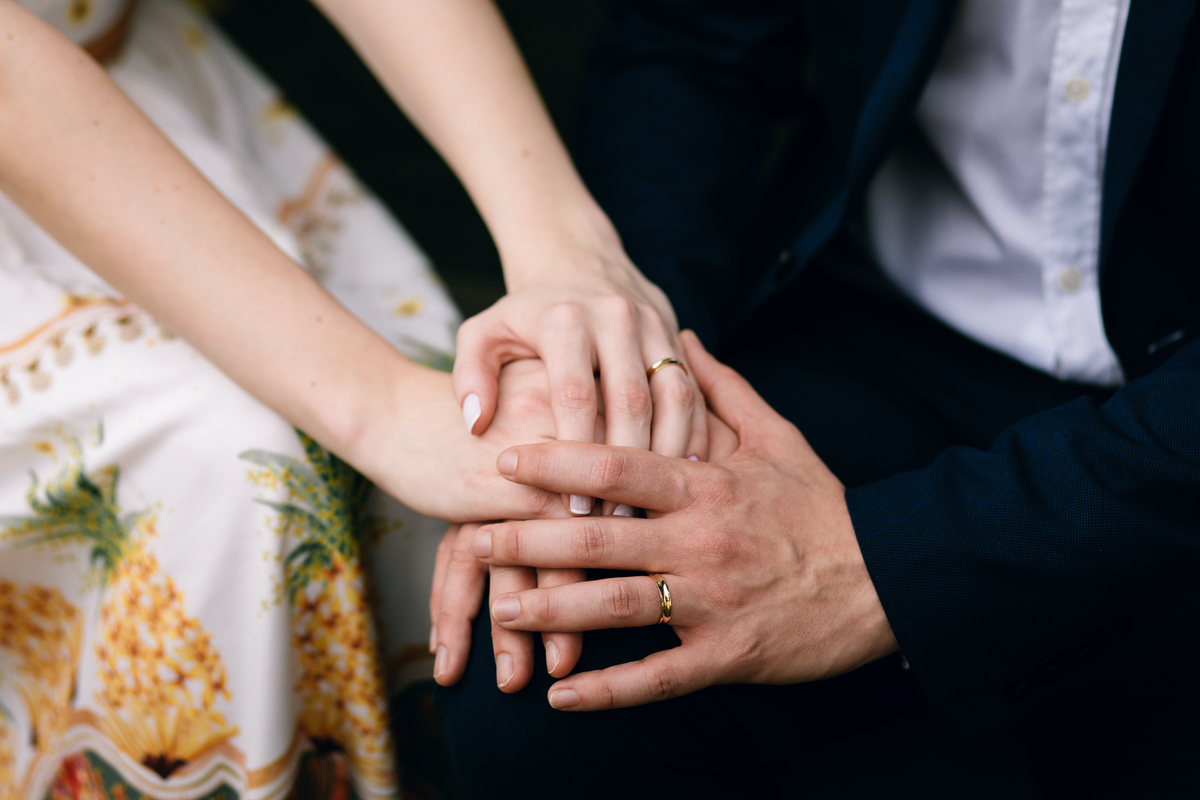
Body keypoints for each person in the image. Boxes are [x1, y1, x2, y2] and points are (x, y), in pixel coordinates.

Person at [433, 1, 1200, 797]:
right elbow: (696, 40)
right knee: (552, 674)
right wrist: (617, 375)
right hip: (882, 324)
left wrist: (886, 562)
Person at [0, 0, 722, 797]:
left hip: (144, 108)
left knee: (475, 473)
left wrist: (562, 243)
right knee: (246, 478)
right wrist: (384, 411)